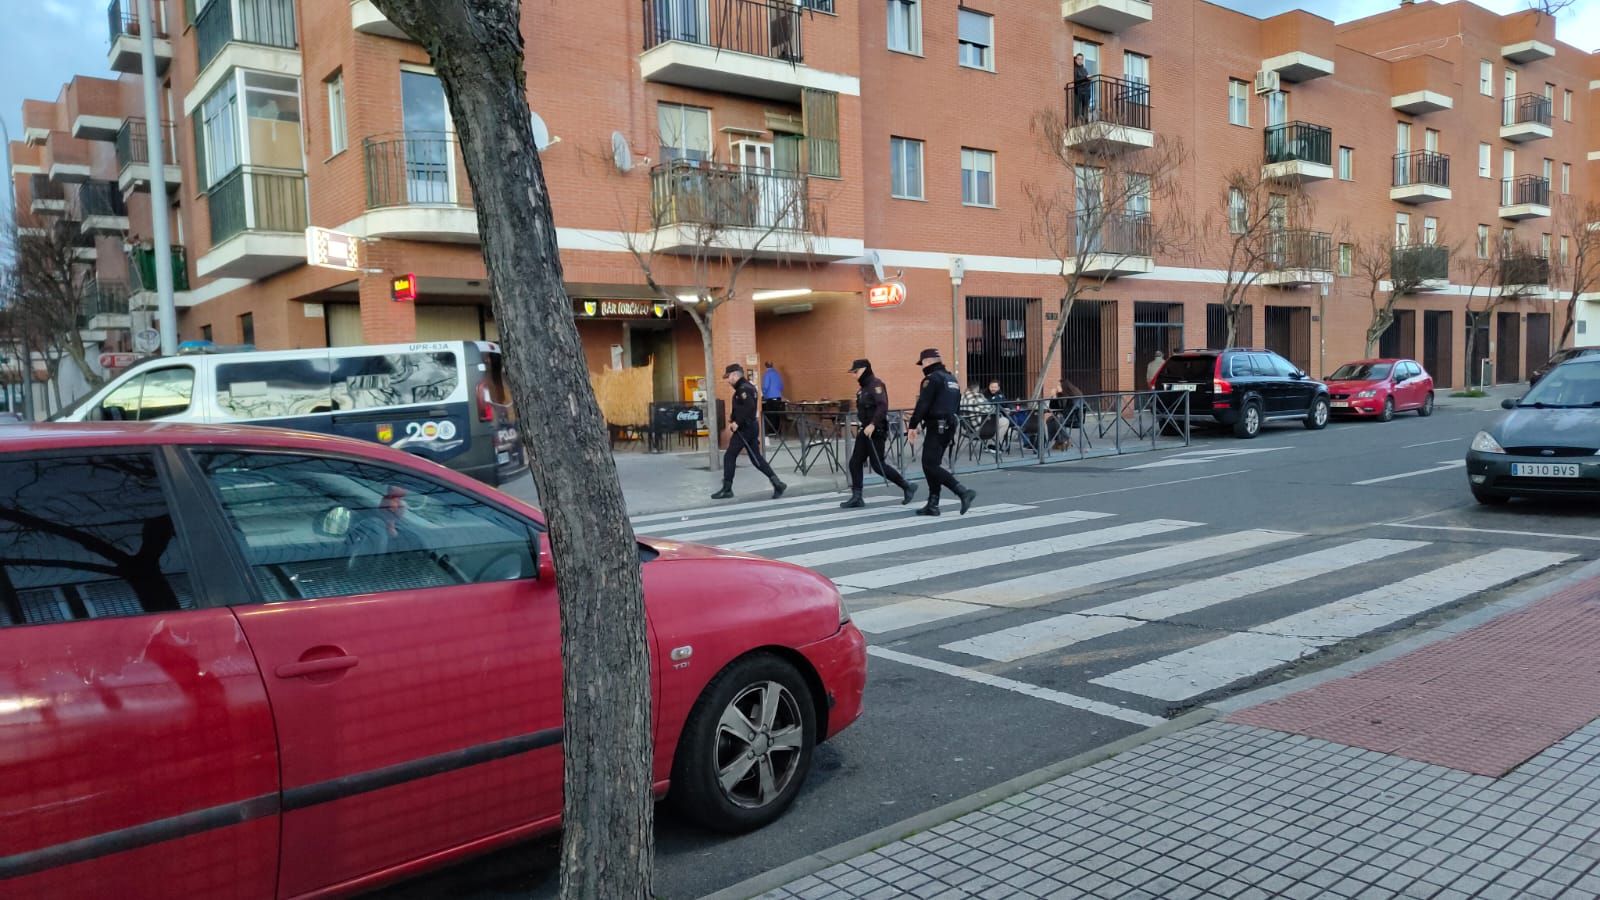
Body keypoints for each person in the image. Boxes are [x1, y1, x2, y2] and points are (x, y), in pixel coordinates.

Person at [906, 349, 977, 517]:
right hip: (949, 426)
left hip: (937, 426)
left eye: (922, 363)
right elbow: (957, 404)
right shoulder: (951, 379)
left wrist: (912, 425)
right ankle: (933, 503)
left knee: (929, 465)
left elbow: (923, 404)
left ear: (928, 362)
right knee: (933, 465)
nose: (922, 367)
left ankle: (962, 491)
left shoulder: (932, 379)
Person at [841, 359, 917, 509]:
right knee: (855, 462)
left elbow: (882, 406)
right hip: (866, 430)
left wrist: (873, 424)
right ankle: (857, 497)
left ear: (865, 369)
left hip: (876, 430)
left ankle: (907, 486)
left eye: (856, 372)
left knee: (877, 465)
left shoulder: (876, 385)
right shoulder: (863, 389)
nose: (854, 375)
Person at [712, 364, 787, 501]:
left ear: (735, 375)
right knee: (756, 458)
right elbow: (746, 407)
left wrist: (737, 422)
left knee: (729, 456)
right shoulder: (748, 387)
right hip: (750, 427)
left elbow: (750, 406)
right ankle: (777, 483)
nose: (728, 380)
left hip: (745, 428)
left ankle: (727, 489)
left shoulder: (743, 388)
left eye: (728, 377)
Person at [760, 361, 785, 436]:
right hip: (778, 397)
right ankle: (778, 431)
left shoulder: (767, 374)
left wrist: (763, 394)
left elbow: (765, 387)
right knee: (777, 415)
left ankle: (771, 431)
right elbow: (781, 387)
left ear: (765, 366)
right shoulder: (777, 374)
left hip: (770, 398)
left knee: (770, 415)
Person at [1072, 53, 1091, 124]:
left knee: (1085, 107)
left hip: (1086, 91)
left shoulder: (1084, 70)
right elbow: (1076, 80)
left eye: (1081, 59)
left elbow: (1088, 81)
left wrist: (1089, 80)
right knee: (1079, 107)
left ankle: (1085, 120)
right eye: (1078, 59)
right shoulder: (1075, 69)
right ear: (1075, 60)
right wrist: (1085, 78)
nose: (1079, 61)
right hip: (1078, 91)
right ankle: (1078, 120)